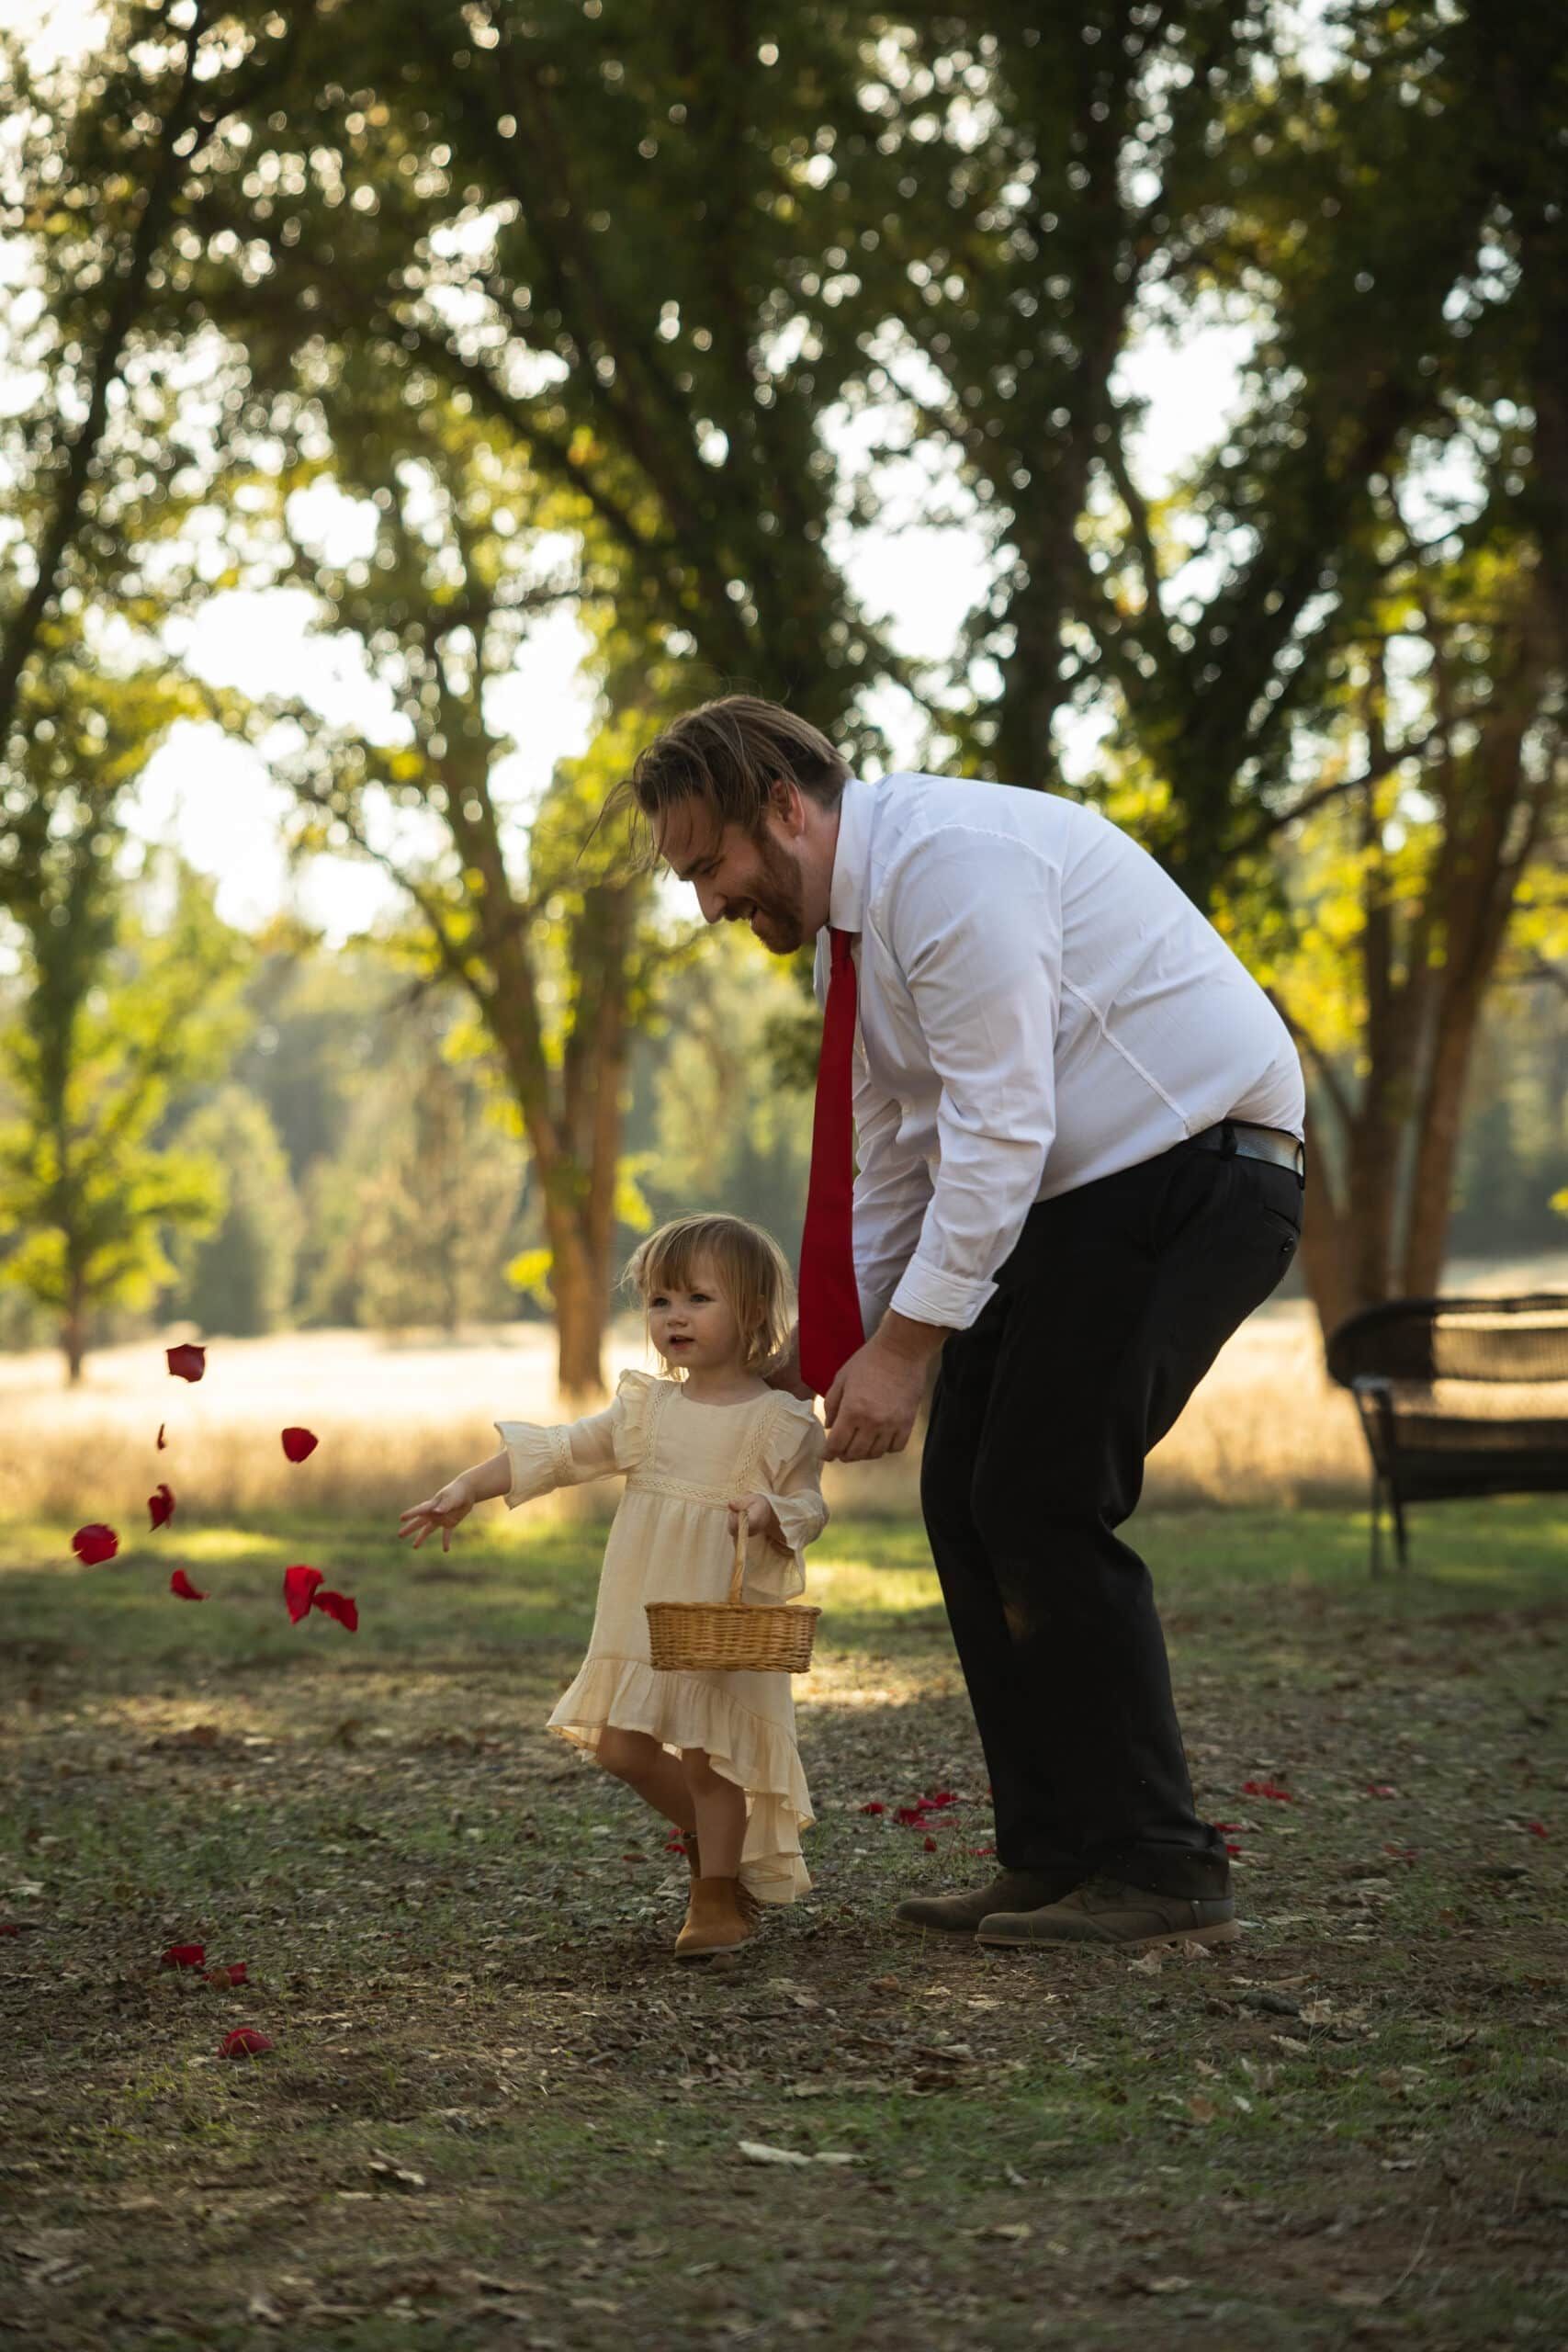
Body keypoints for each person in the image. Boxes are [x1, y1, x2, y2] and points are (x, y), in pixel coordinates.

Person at [610, 695, 1306, 1955]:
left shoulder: (948, 867)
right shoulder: (860, 933)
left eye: (708, 864)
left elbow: (997, 1128)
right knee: (965, 1502)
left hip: (1190, 1176)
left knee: (1039, 1498)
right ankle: (1052, 1855)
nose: (705, 903)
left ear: (785, 807)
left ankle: (1159, 1863)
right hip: (1073, 1203)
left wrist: (910, 1346)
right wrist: (827, 1366)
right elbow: (895, 1159)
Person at [398, 1213, 827, 1960]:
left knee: (708, 1755)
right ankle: (712, 1842)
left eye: (697, 1298)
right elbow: (565, 1451)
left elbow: (811, 1507)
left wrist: (769, 1511)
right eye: (660, 1301)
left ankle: (717, 1896)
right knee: (620, 1750)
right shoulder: (646, 1408)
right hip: (645, 1608)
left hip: (718, 1611)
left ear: (754, 1312)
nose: (674, 1317)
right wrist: (466, 1486)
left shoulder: (782, 1421)